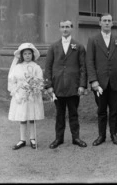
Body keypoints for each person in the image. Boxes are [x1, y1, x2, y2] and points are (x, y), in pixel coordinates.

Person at [45, 20, 88, 149]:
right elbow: (48, 67)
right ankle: (59, 138)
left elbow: (83, 67)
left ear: (71, 28)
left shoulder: (79, 46)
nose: (65, 29)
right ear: (59, 29)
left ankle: (76, 138)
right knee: (59, 114)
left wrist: (82, 85)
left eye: (67, 27)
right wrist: (49, 86)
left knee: (73, 113)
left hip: (73, 86)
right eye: (62, 27)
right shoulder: (53, 47)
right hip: (57, 86)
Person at [86, 13, 117, 146]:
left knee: (114, 110)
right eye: (104, 21)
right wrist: (93, 81)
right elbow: (90, 61)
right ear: (100, 23)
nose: (107, 23)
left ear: (112, 23)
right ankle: (101, 136)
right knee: (101, 110)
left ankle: (114, 134)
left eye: (109, 21)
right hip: (100, 82)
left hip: (115, 81)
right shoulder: (93, 39)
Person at [8, 43, 45, 150]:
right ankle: (22, 139)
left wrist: (36, 87)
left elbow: (40, 80)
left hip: (32, 94)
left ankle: (32, 138)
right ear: (21, 55)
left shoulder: (36, 67)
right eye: (25, 54)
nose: (27, 56)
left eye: (29, 53)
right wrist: (16, 92)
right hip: (21, 95)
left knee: (32, 117)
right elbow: (12, 81)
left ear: (32, 55)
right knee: (22, 117)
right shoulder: (17, 67)